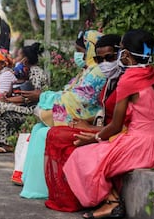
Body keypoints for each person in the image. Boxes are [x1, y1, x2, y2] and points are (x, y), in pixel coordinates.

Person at [64, 29, 154, 219]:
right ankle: (111, 202)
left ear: (127, 55)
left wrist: (92, 139)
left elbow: (115, 125)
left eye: (121, 49)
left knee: (80, 156)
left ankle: (111, 202)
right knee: (98, 153)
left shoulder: (129, 80)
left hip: (140, 146)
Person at [19, 30, 106, 199]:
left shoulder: (98, 72)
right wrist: (46, 98)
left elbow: (78, 101)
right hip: (77, 114)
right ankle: (33, 183)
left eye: (80, 51)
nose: (78, 55)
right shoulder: (88, 70)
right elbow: (68, 92)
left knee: (46, 133)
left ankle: (46, 189)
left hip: (86, 119)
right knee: (38, 130)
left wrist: (42, 97)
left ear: (90, 50)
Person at [44, 34, 123, 212]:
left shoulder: (125, 80)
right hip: (103, 127)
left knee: (61, 136)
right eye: (99, 59)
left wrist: (91, 130)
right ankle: (71, 196)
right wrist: (85, 122)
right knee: (57, 133)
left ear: (121, 54)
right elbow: (103, 110)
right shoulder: (111, 78)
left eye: (109, 58)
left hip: (115, 134)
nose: (104, 63)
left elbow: (121, 124)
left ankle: (105, 198)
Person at [0, 42, 48, 154]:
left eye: (18, 56)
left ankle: (7, 144)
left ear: (25, 59)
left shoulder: (36, 72)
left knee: (0, 107)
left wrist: (8, 100)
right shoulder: (25, 72)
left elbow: (30, 97)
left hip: (32, 108)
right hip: (25, 105)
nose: (15, 59)